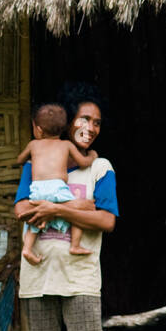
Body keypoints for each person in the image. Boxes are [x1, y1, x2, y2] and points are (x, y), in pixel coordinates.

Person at [13, 83, 141, 331]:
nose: (91, 127)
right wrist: (76, 204)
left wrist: (58, 211)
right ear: (68, 122)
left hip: (80, 277)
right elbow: (21, 210)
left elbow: (105, 219)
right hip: (37, 279)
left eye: (97, 122)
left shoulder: (100, 168)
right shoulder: (35, 162)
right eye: (84, 118)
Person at [17, 102, 98, 263]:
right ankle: (75, 245)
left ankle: (27, 249)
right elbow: (82, 162)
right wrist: (92, 156)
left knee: (37, 217)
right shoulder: (66, 145)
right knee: (81, 211)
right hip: (57, 188)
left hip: (38, 190)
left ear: (38, 129)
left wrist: (31, 157)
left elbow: (20, 159)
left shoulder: (33, 145)